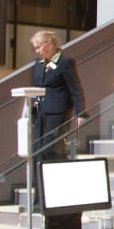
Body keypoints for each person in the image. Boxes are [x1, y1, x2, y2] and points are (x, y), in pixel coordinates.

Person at [29, 30, 85, 161]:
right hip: (40, 112)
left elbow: (75, 88)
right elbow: (34, 89)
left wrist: (80, 112)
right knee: (38, 150)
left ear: (49, 44)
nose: (37, 51)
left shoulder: (65, 62)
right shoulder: (37, 64)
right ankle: (39, 180)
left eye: (38, 47)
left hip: (58, 112)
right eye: (35, 48)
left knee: (51, 148)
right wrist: (32, 114)